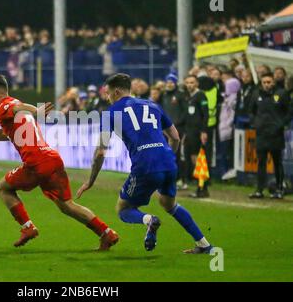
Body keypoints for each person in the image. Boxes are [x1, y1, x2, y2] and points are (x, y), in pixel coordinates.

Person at [0, 74, 119, 249]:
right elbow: (5, 132)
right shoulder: (12, 110)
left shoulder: (3, 106)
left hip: (35, 164)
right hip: (52, 159)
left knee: (3, 188)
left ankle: (27, 227)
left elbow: (18, 107)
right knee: (67, 205)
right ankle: (107, 233)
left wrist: (36, 111)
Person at [77, 73, 213, 254]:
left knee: (124, 208)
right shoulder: (152, 104)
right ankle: (204, 244)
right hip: (168, 161)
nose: (108, 98)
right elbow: (175, 137)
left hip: (145, 164)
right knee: (169, 204)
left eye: (108, 94)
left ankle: (149, 220)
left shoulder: (111, 113)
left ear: (116, 92)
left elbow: (101, 151)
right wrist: (166, 158)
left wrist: (91, 181)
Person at [249, 73, 292, 199]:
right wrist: (255, 123)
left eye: (269, 82)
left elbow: (289, 111)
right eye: (264, 82)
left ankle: (279, 189)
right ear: (261, 83)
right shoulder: (256, 94)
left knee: (277, 162)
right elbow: (251, 111)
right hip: (261, 133)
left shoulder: (282, 94)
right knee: (261, 162)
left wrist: (281, 124)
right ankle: (259, 189)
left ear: (273, 82)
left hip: (275, 134)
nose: (267, 85)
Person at [183, 75, 209, 198]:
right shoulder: (189, 96)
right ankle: (200, 187)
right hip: (189, 132)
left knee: (198, 159)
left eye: (192, 82)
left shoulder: (201, 95)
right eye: (187, 82)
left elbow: (206, 114)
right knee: (193, 158)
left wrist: (204, 131)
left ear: (197, 83)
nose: (189, 85)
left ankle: (202, 187)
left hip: (197, 132)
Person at [161, 73, 188, 190]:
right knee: (168, 154)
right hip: (166, 131)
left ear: (175, 83)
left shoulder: (180, 95)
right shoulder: (165, 96)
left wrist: (177, 123)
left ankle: (181, 180)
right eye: (168, 82)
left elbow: (185, 111)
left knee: (178, 154)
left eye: (171, 82)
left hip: (178, 130)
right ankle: (170, 178)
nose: (169, 84)